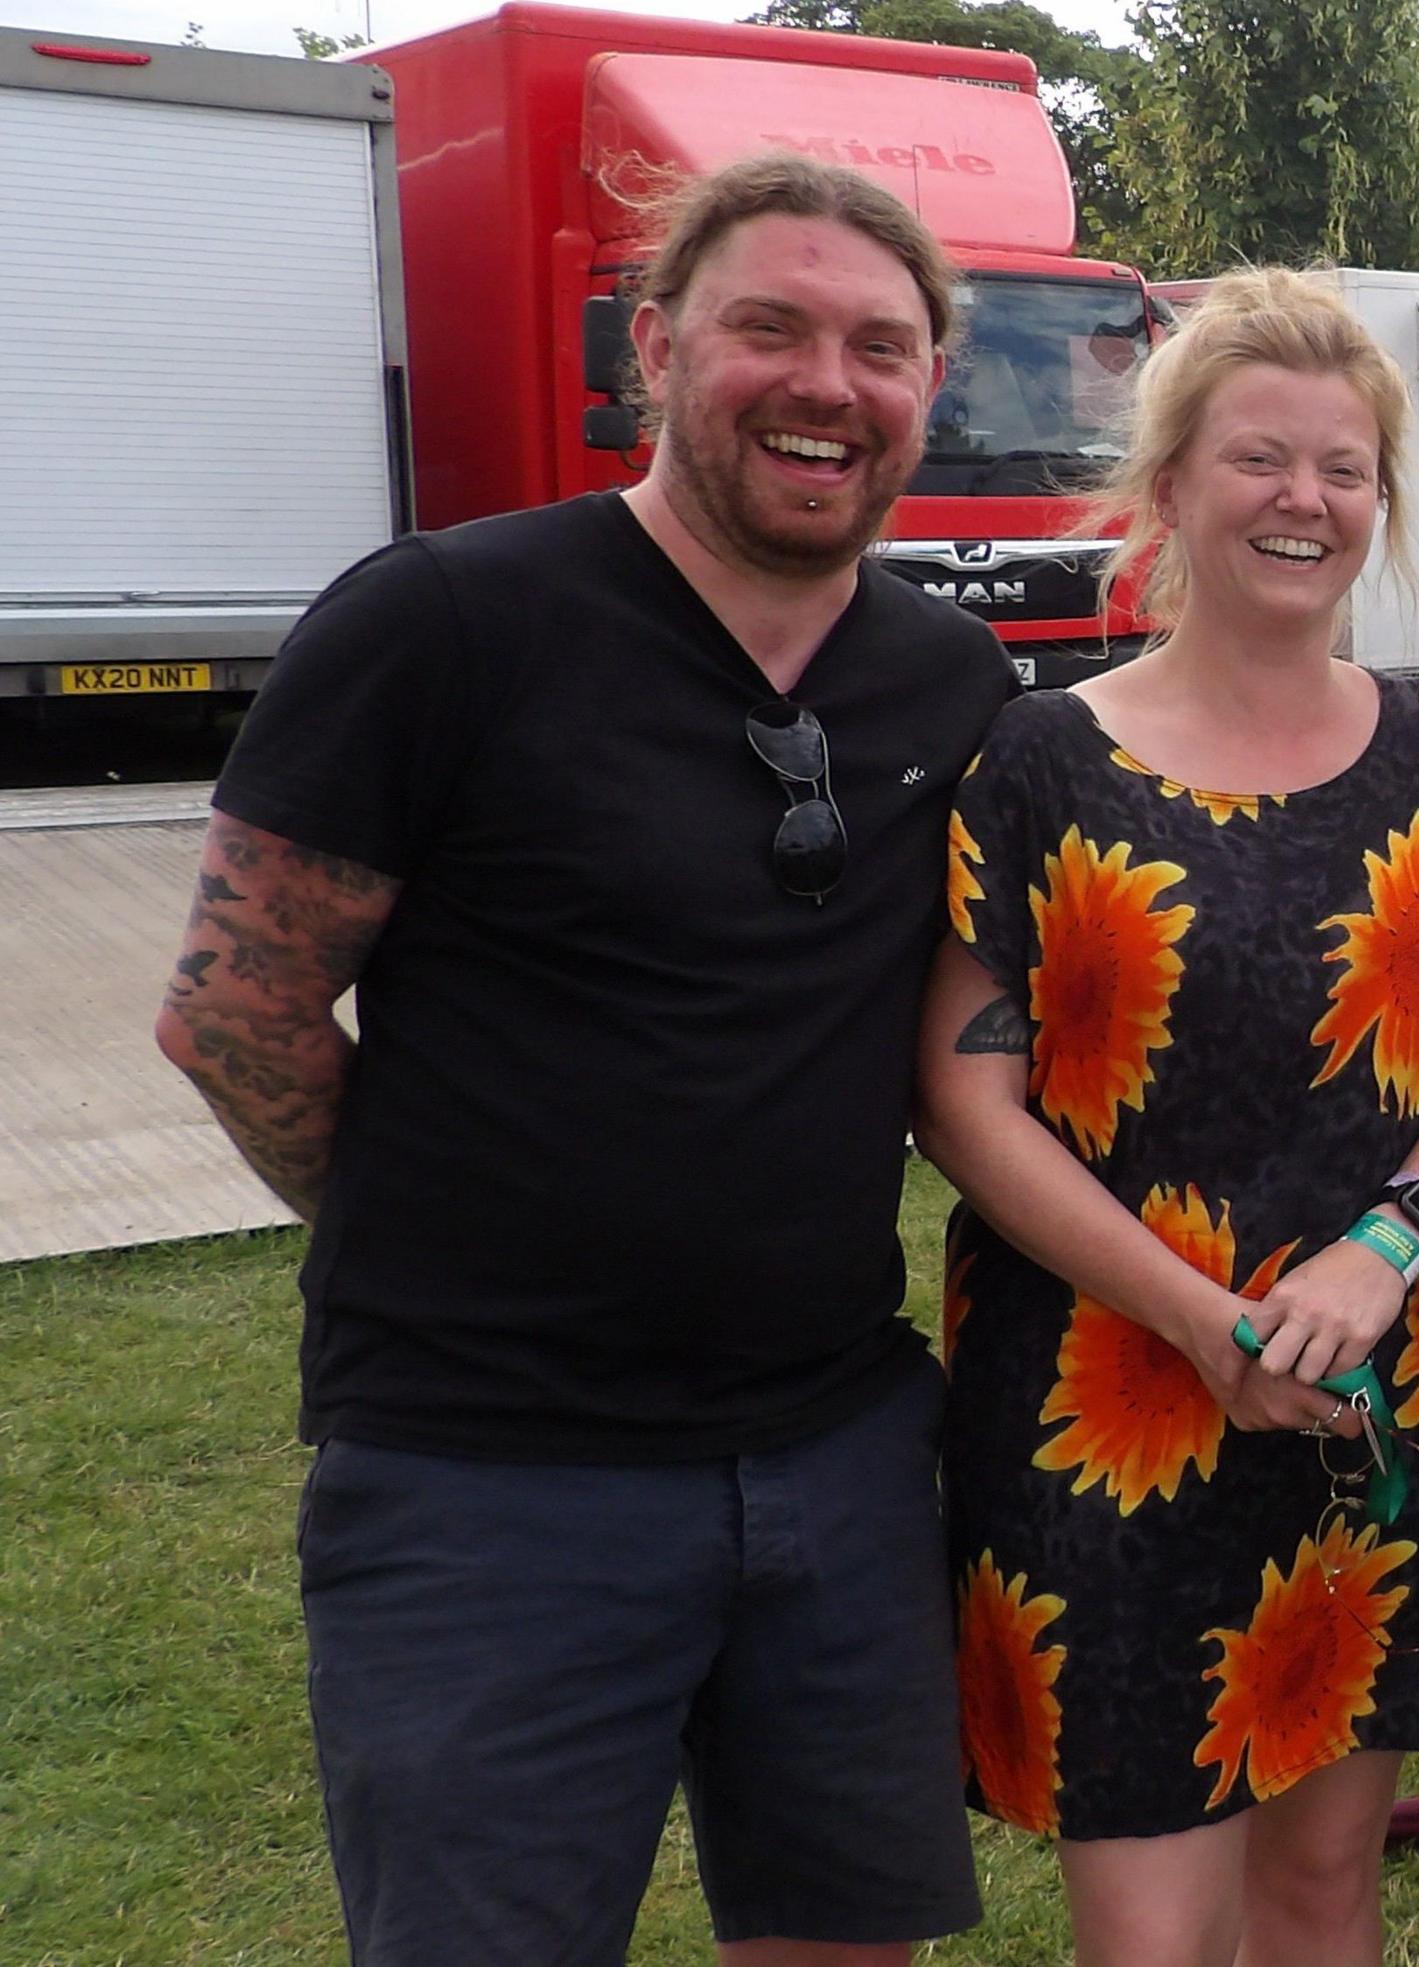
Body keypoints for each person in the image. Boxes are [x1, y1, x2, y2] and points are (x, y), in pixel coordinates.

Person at [154, 153, 1011, 1965]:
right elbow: (235, 1009)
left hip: (841, 1444)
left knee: (850, 1938)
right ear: (656, 349)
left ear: (927, 384)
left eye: (881, 344)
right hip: (491, 1477)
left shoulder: (951, 683)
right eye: (767, 326)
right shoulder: (443, 622)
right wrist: (440, 1231)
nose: (826, 383)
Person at [913, 267, 1419, 1967]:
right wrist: (1204, 1320)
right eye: (1260, 459)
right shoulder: (1042, 759)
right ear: (1174, 483)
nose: (1304, 501)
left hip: (1394, 1387)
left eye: (1343, 469)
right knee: (1152, 1928)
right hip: (1110, 1400)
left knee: (1323, 1890)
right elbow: (966, 1098)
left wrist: (1387, 1242)